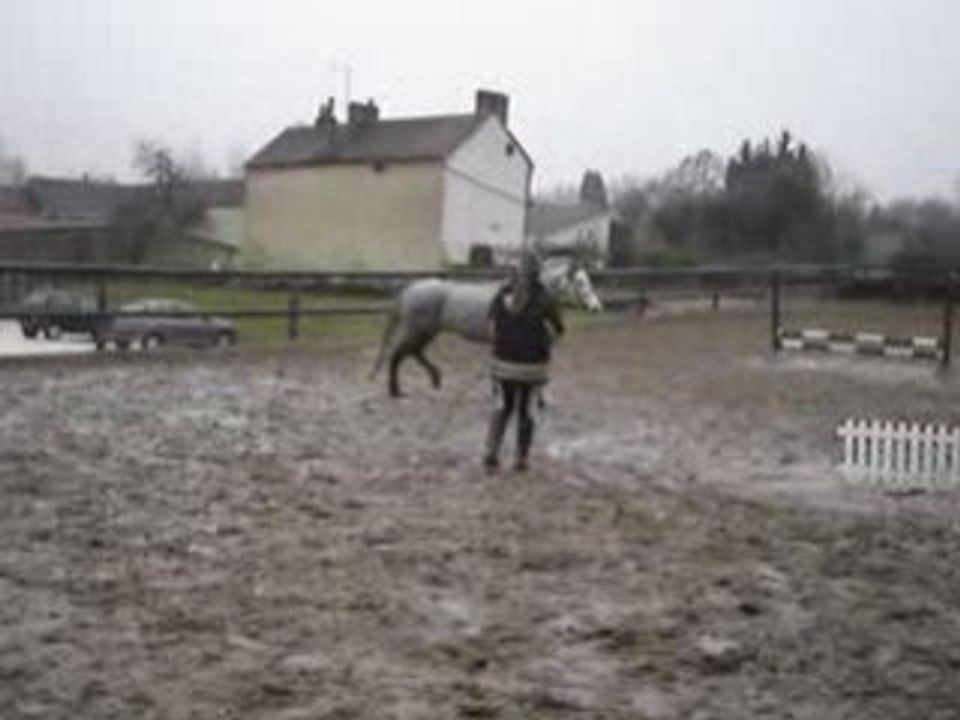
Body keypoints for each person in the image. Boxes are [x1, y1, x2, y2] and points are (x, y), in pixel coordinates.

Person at [483, 254, 565, 472]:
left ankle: (491, 451)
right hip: (533, 367)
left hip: (502, 365)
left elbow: (491, 329)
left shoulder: (502, 295)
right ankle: (521, 457)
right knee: (527, 411)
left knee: (502, 407)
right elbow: (557, 331)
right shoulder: (545, 298)